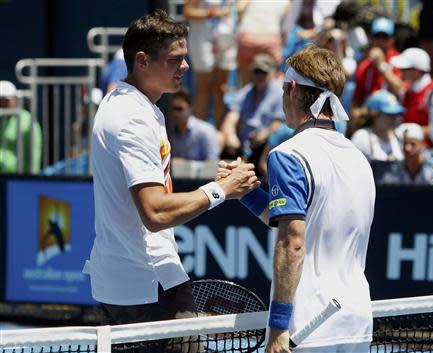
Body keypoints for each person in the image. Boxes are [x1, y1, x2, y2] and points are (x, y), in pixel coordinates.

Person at [83, 10, 259, 341]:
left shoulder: (126, 105)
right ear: (142, 61)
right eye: (174, 59)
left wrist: (218, 181)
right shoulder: (133, 119)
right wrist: (221, 189)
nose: (186, 67)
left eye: (185, 58)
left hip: (124, 283)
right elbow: (155, 212)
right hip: (149, 284)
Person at [219, 45, 375, 352]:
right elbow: (307, 224)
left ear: (292, 89)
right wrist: (248, 193)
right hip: (356, 322)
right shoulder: (359, 159)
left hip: (306, 328)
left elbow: (293, 243)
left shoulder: (288, 154)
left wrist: (278, 327)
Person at [221, 53, 284, 172]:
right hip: (244, 146)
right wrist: (231, 136)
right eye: (257, 71)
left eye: (264, 72)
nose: (260, 76)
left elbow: (277, 124)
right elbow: (231, 119)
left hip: (266, 145)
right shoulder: (244, 93)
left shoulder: (279, 93)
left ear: (272, 73)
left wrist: (264, 134)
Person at [183, 0, 237, 127]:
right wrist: (213, 13)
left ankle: (220, 132)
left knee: (221, 88)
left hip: (226, 39)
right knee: (203, 89)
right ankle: (199, 132)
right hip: (202, 39)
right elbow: (188, 12)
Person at [391, 47, 433, 144]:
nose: (400, 71)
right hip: (407, 150)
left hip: (429, 152)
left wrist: (413, 131)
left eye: (404, 69)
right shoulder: (406, 89)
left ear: (417, 71)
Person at [167, 88, 222, 161]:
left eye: (179, 109)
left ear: (190, 108)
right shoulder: (170, 132)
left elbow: (212, 163)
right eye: (173, 109)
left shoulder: (205, 131)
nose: (175, 113)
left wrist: (185, 165)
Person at [0, 80, 42, 174]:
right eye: (0, 100)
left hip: (17, 178)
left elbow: (35, 152)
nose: (2, 103)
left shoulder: (27, 121)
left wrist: (32, 178)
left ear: (15, 99)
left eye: (5, 100)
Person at [351, 90, 404, 162]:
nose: (394, 119)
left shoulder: (399, 135)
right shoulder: (362, 137)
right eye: (389, 114)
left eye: (396, 114)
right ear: (375, 115)